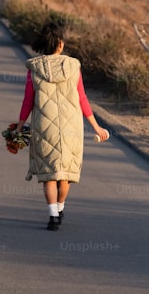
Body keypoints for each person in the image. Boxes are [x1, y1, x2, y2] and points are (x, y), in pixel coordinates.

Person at [15, 20, 109, 231]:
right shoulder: (73, 66)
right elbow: (82, 99)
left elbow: (28, 101)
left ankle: (52, 216)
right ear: (60, 44)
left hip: (43, 125)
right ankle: (60, 207)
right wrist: (96, 127)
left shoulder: (34, 69)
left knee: (49, 172)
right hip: (71, 127)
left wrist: (19, 126)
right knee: (64, 172)